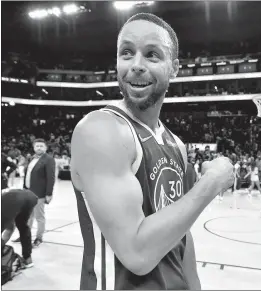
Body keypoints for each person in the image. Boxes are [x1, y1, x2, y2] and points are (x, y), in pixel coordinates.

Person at [70, 13, 234, 290]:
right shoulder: (100, 131)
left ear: (175, 68)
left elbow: (181, 234)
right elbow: (137, 254)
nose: (136, 65)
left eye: (152, 55)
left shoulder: (176, 145)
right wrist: (212, 181)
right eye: (126, 53)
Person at [21, 138, 56, 248]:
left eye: (41, 146)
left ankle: (39, 238)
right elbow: (28, 174)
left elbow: (51, 177)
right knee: (28, 216)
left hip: (39, 193)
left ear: (45, 148)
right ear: (34, 147)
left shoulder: (48, 159)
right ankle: (25, 235)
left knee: (39, 216)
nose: (39, 148)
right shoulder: (32, 158)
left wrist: (49, 193)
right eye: (37, 146)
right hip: (28, 192)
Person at [2, 188, 38, 268]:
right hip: (30, 197)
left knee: (21, 226)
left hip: (19, 200)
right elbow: (10, 229)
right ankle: (28, 259)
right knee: (23, 226)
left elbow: (9, 230)